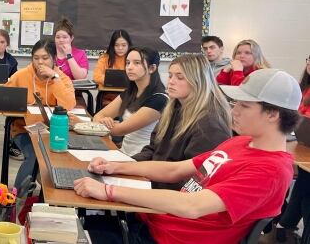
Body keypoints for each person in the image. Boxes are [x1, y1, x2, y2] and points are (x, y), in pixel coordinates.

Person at [74, 69, 301, 244]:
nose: (234, 111)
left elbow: (192, 206)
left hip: (165, 238)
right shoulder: (241, 142)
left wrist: (108, 191)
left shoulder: (270, 170)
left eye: (244, 105)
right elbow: (175, 170)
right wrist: (115, 167)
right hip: (153, 222)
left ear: (273, 114)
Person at [131, 54, 232, 190]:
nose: (171, 81)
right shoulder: (174, 108)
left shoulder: (210, 124)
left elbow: (195, 179)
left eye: (180, 77)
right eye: (170, 75)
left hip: (173, 194)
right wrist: (126, 164)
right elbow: (153, 150)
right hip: (155, 181)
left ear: (198, 81)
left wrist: (140, 176)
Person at [5, 38, 76, 185]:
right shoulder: (22, 75)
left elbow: (69, 104)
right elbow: (3, 96)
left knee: (64, 157)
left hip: (53, 130)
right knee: (35, 155)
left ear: (54, 59)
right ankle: (16, 199)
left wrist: (54, 78)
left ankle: (48, 195)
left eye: (45, 58)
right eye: (36, 58)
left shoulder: (61, 78)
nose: (40, 63)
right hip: (25, 130)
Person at [260, 56, 310, 244]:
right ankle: (283, 229)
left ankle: (283, 229)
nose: (309, 64)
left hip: (304, 147)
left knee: (305, 193)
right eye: (309, 59)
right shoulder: (302, 87)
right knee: (304, 186)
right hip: (303, 145)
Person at [93, 47, 168, 156]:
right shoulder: (130, 92)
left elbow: (120, 130)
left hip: (142, 158)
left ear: (152, 68)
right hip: (124, 153)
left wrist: (106, 123)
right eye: (127, 63)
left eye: (137, 63)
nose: (129, 67)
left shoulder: (159, 99)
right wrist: (104, 120)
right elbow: (98, 116)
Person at [93, 30, 132, 108]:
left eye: (124, 45)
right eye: (116, 45)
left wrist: (113, 80)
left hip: (128, 96)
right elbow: (96, 76)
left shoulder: (133, 58)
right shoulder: (105, 58)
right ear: (112, 46)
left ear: (129, 45)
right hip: (108, 97)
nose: (120, 48)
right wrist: (119, 81)